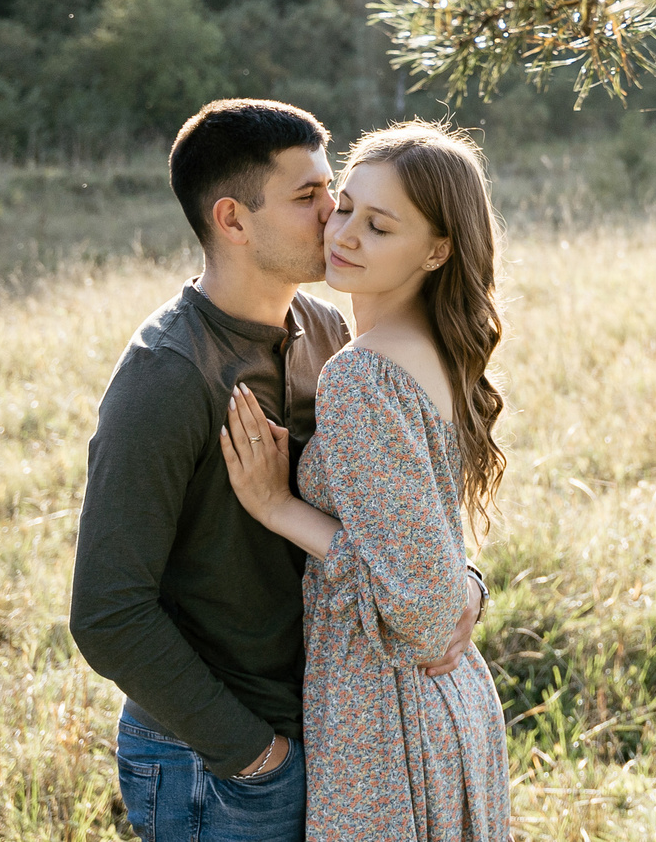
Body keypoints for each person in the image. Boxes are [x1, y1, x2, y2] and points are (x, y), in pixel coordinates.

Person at [71, 100, 484, 842]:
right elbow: (108, 613)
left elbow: (396, 503)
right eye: (311, 197)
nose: (333, 215)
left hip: (334, 735)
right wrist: (255, 756)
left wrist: (461, 586)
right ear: (232, 219)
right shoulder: (166, 375)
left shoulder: (329, 333)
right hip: (219, 761)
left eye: (336, 189)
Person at [220, 122, 513, 842]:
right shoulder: (435, 350)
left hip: (387, 716)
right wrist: (466, 584)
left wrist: (278, 505)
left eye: (379, 226)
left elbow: (415, 606)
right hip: (450, 701)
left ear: (438, 249)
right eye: (344, 207)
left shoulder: (360, 375)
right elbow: (433, 554)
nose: (342, 233)